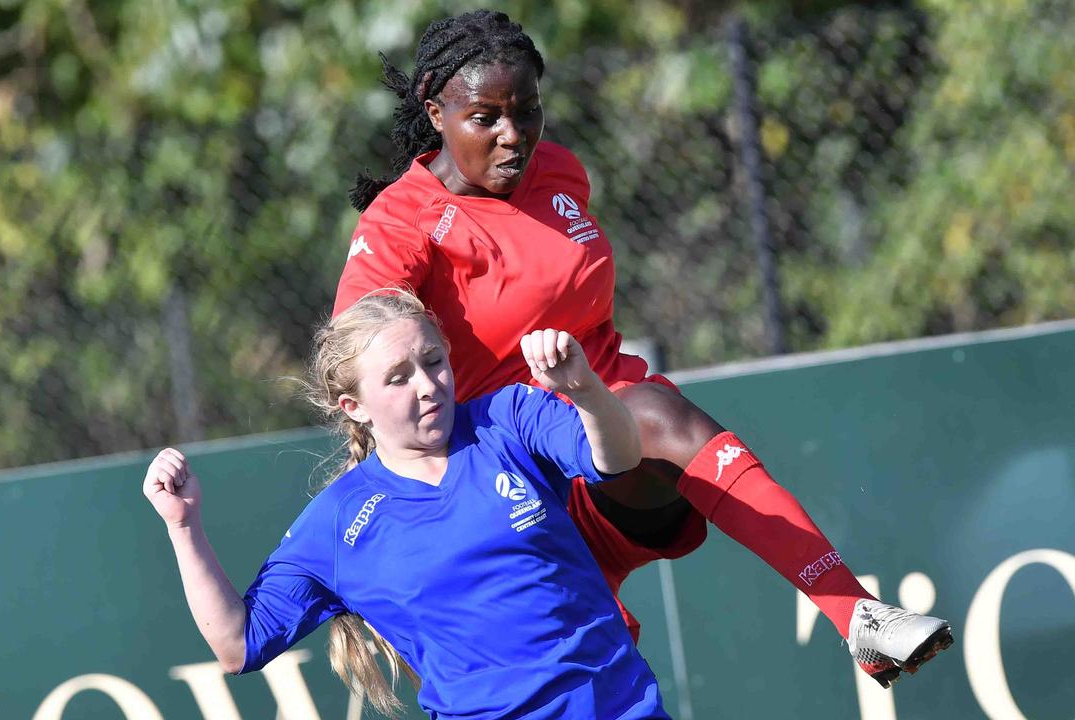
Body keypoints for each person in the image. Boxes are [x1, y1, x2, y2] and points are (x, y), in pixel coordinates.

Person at [335, 9, 953, 689]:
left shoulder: (559, 173)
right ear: (436, 111)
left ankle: (856, 616)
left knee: (661, 417)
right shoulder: (400, 222)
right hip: (512, 485)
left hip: (606, 449)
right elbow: (359, 357)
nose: (514, 137)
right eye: (486, 119)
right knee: (594, 683)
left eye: (528, 112)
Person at [144, 291, 674, 718]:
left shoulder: (508, 418)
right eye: (398, 378)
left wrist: (584, 388)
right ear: (355, 407)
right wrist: (183, 525)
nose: (428, 386)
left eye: (434, 361)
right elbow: (238, 645)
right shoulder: (340, 521)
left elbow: (620, 457)